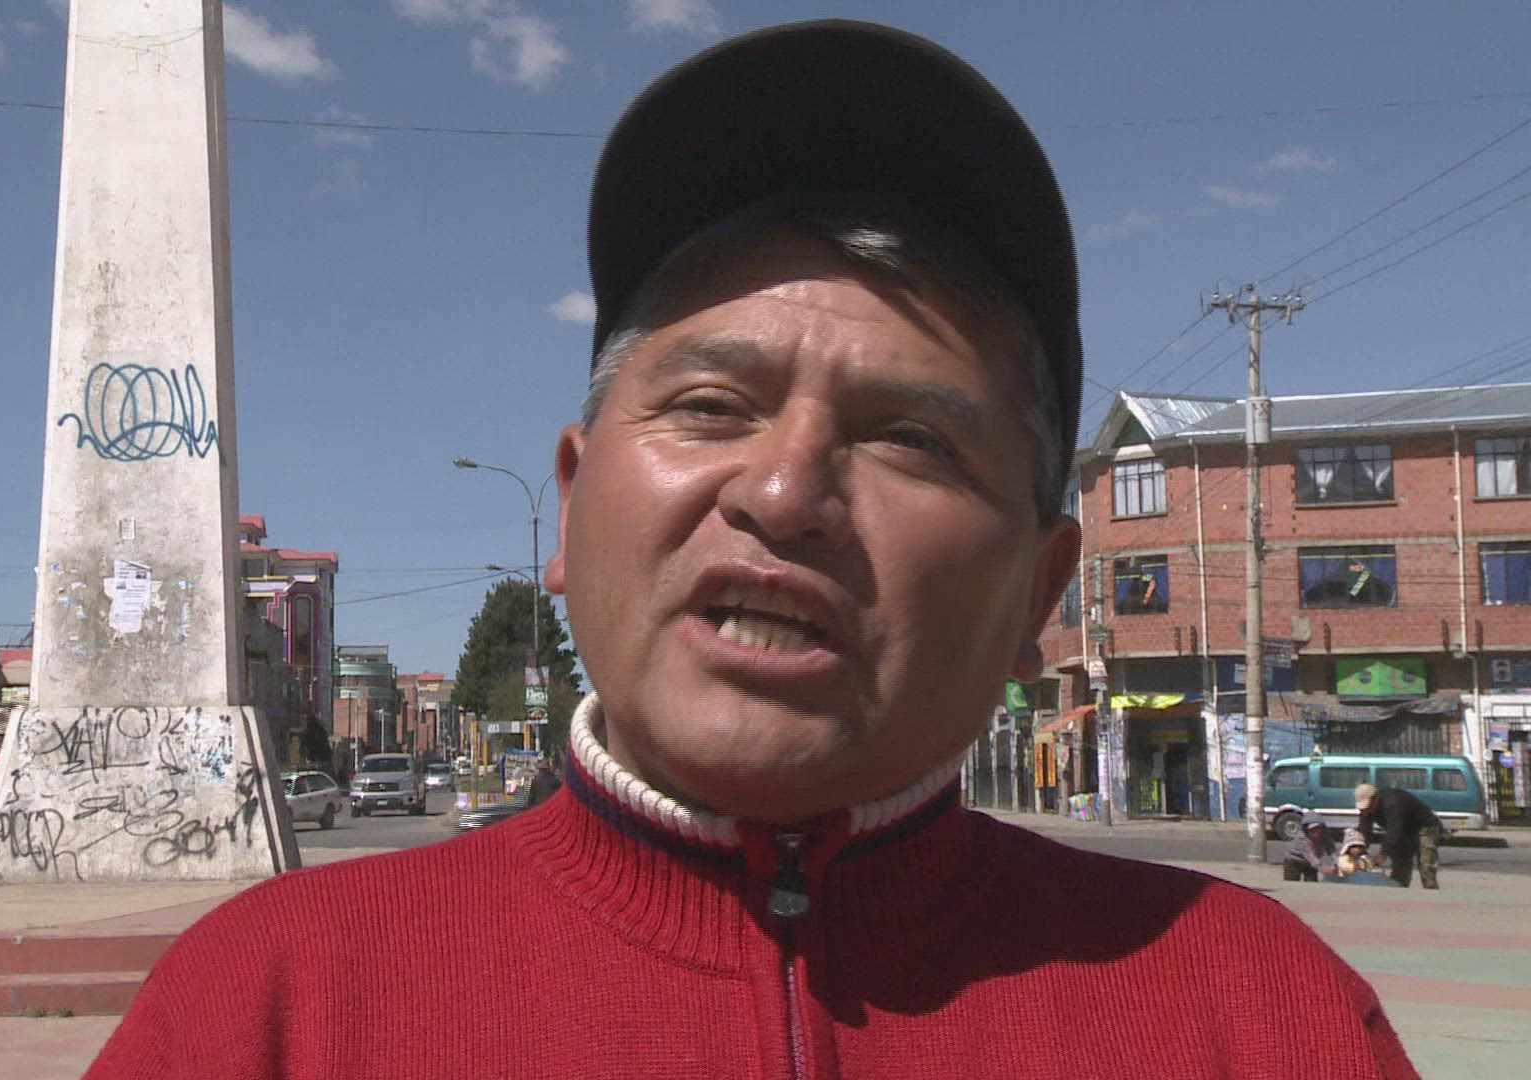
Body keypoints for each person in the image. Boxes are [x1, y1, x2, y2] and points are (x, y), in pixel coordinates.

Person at [86, 21, 1416, 1077]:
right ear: (571, 504)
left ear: (1041, 591)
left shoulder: (1261, 1017)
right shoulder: (267, 1010)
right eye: (713, 407)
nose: (785, 495)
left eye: (909, 440)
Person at [1356, 782, 1442, 890]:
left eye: (1368, 806)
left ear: (1376, 798)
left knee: (1426, 865)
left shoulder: (1392, 803)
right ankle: (1399, 893)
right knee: (1400, 867)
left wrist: (1382, 854)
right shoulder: (1366, 810)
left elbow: (1394, 832)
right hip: (1404, 831)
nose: (1367, 810)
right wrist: (1359, 848)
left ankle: (1431, 892)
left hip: (1425, 827)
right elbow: (1364, 831)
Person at [1282, 814, 1337, 882]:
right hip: (1293, 860)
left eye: (1319, 830)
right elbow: (1310, 855)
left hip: (1311, 863)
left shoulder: (1326, 837)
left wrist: (1338, 863)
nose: (1316, 833)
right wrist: (1321, 868)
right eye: (1313, 830)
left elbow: (1332, 851)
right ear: (1306, 830)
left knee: (1312, 882)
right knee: (1292, 883)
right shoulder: (1302, 838)